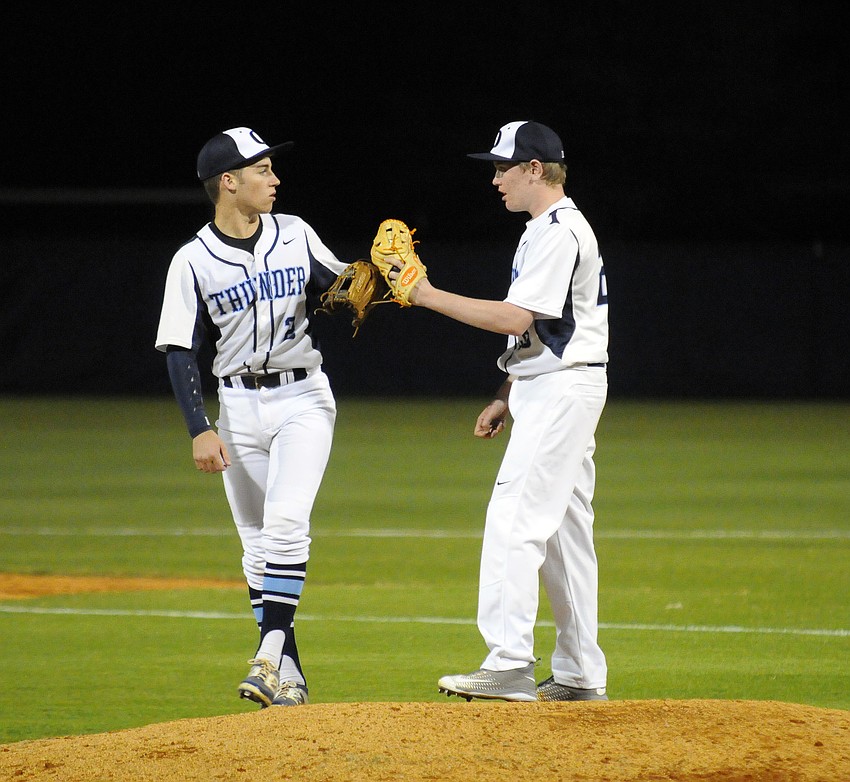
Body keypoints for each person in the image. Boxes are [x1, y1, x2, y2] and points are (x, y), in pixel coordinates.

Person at [392, 120, 610, 702]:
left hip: (563, 389)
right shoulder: (543, 229)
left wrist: (426, 294)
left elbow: (515, 318)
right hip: (554, 385)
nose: (494, 178)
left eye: (501, 166)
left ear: (534, 169)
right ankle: (579, 672)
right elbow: (537, 330)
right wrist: (506, 395)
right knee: (563, 536)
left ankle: (509, 662)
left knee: (514, 519)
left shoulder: (559, 230)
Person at [155, 127, 349, 708]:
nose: (275, 179)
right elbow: (179, 348)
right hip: (236, 406)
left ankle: (267, 654)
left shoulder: (295, 233)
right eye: (262, 170)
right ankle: (289, 674)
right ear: (228, 182)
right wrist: (199, 427)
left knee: (287, 523)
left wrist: (374, 280)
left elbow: (339, 287)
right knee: (256, 545)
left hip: (303, 399)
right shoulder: (191, 260)